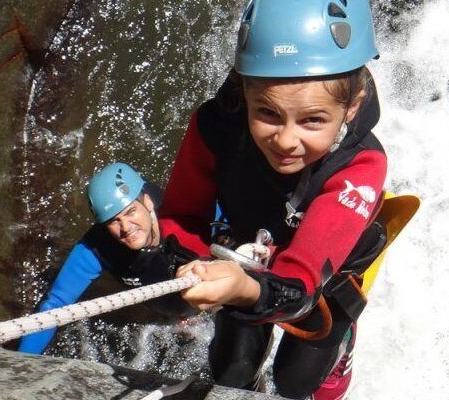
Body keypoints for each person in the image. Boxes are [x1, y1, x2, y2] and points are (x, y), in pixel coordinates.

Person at [160, 1, 388, 399]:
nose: (285, 141)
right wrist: (191, 263)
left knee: (297, 382)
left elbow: (302, 280)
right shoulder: (215, 129)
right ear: (244, 91)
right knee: (230, 374)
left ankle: (343, 340)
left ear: (351, 107)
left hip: (327, 274)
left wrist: (246, 290)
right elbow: (181, 217)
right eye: (267, 113)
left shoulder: (361, 164)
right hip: (249, 251)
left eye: (312, 119)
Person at [17, 162, 199, 354]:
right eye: (114, 221)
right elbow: (55, 305)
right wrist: (23, 363)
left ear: (148, 202)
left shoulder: (182, 223)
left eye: (131, 212)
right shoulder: (99, 246)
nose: (126, 228)